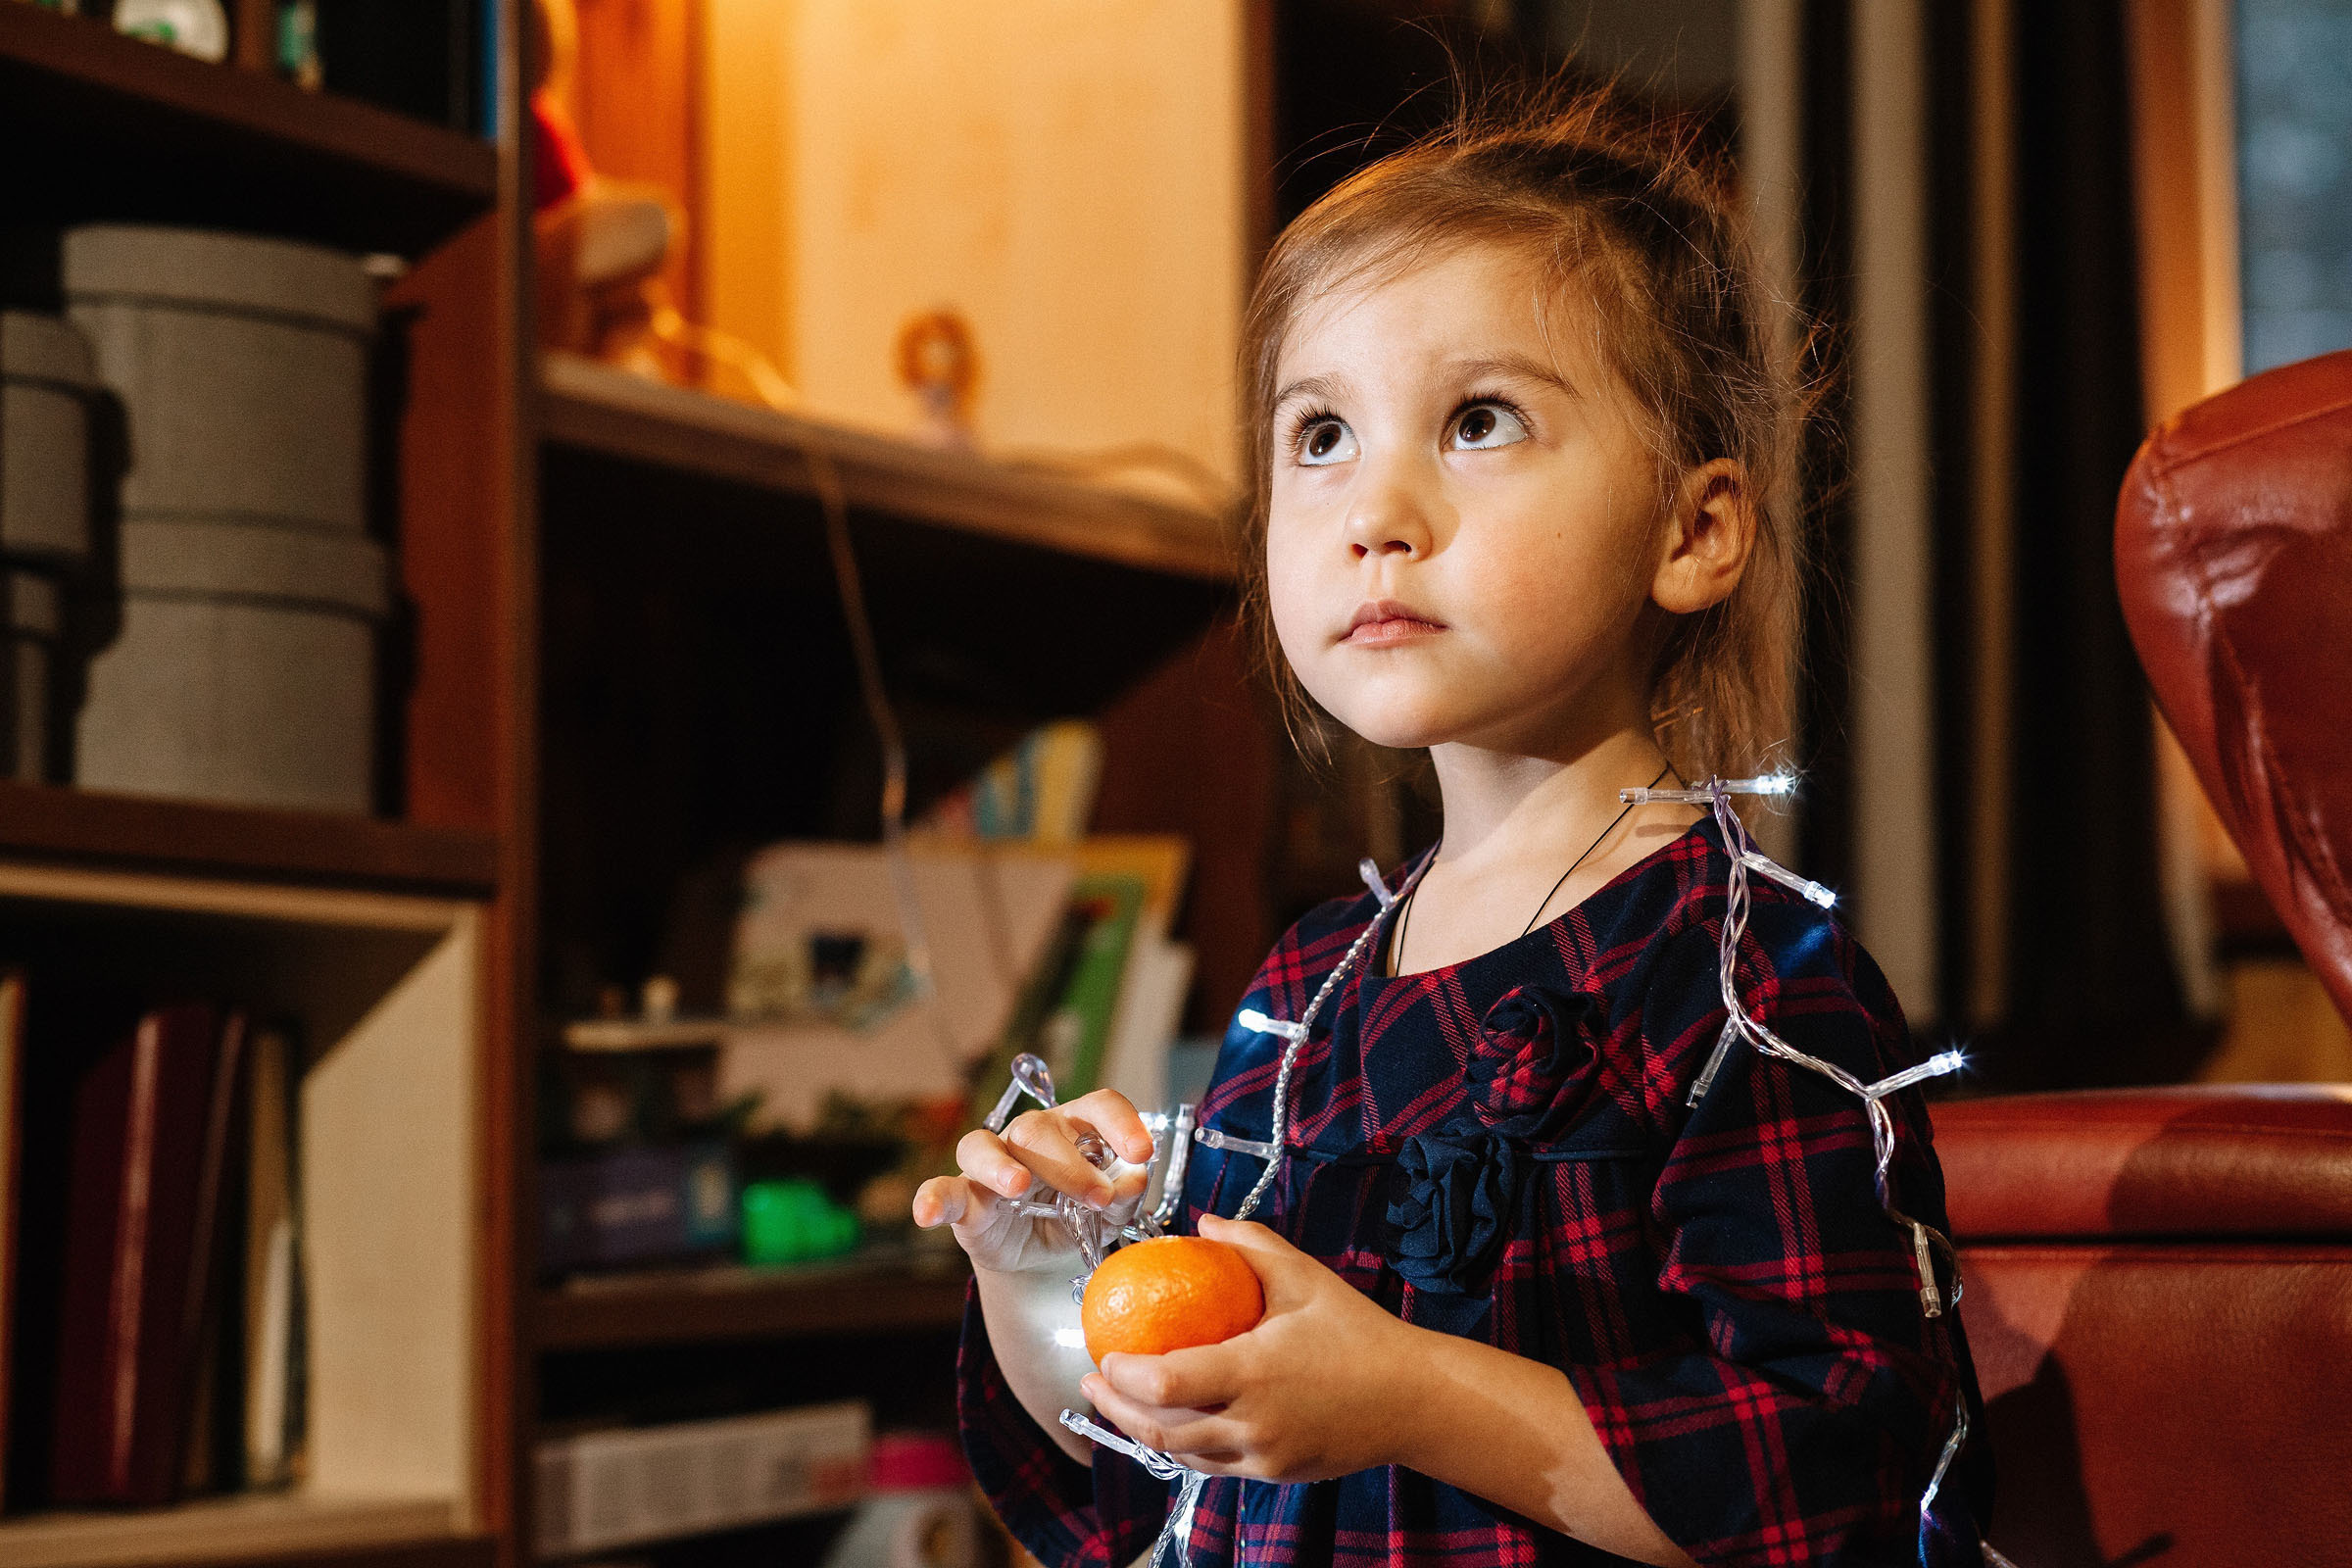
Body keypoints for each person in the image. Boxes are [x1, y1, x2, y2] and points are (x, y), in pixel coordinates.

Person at [913, 82, 1992, 1568]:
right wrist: (1038, 1285)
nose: (1377, 511)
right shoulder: (1305, 995)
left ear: (1694, 530)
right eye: (1320, 435)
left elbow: (1840, 1480)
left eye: (1478, 421)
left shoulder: (1744, 980)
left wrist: (1412, 1398)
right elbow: (1171, 1478)